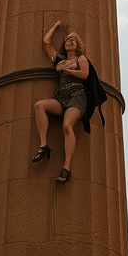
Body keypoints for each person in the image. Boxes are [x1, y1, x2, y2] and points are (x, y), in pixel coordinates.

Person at [32, 20, 91, 184]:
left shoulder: (81, 59)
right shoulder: (59, 59)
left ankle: (67, 167)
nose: (70, 41)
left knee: (66, 125)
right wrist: (56, 26)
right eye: (67, 40)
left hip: (77, 95)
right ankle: (44, 145)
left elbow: (85, 75)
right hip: (61, 96)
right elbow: (46, 43)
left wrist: (66, 69)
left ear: (78, 45)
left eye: (73, 40)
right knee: (39, 105)